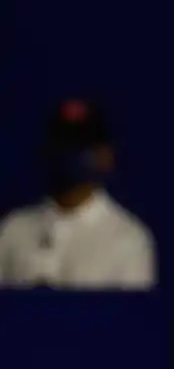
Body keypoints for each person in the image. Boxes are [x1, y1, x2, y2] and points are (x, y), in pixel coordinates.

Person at [0, 99, 156, 290]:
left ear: (105, 156)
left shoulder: (128, 240)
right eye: (63, 143)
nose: (70, 155)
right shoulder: (13, 230)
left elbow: (131, 310)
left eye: (80, 146)